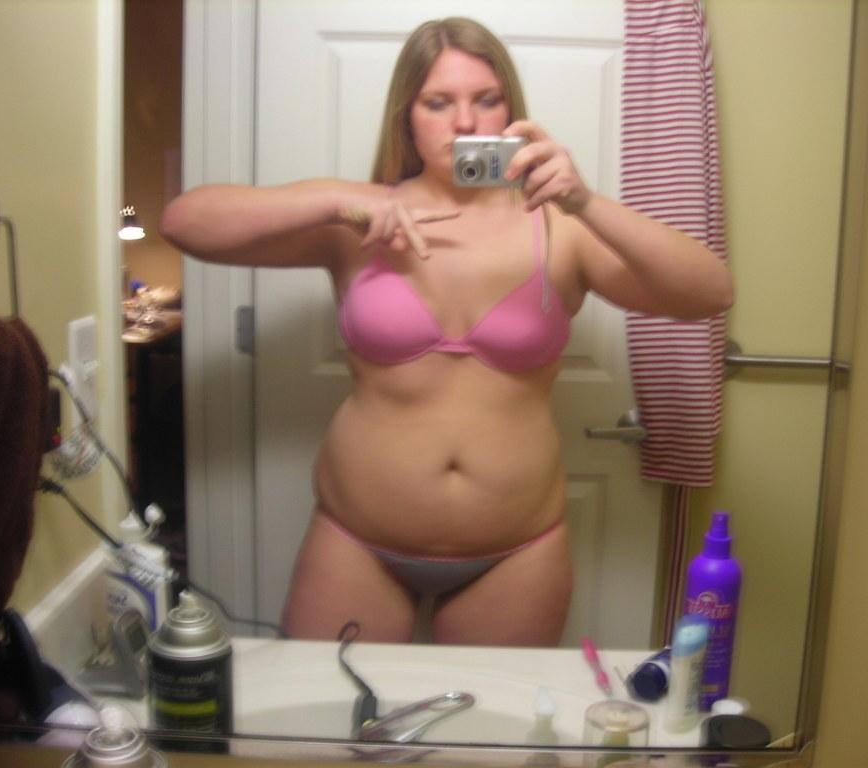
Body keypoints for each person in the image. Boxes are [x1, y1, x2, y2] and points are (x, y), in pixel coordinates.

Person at [160, 17, 733, 646]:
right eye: (438, 103)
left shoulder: (559, 228)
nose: (465, 122)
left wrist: (585, 201)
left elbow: (710, 292)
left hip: (518, 553)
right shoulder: (358, 216)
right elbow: (185, 223)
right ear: (406, 115)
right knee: (328, 709)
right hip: (357, 542)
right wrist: (336, 205)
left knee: (489, 715)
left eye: (486, 99)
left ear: (511, 111)